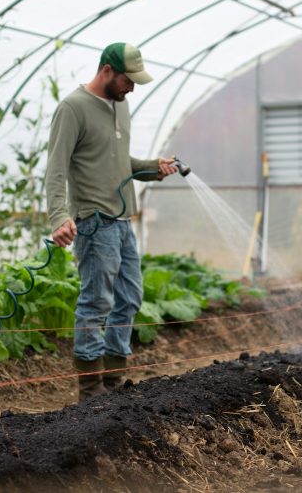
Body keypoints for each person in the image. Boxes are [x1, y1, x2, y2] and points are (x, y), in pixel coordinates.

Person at [45, 42, 178, 401]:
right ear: (107, 71)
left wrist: (154, 168)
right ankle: (90, 390)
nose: (132, 87)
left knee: (130, 296)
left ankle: (114, 383)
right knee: (96, 302)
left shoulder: (122, 106)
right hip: (94, 221)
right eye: (127, 80)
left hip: (122, 221)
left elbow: (119, 162)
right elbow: (56, 169)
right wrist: (59, 216)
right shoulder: (73, 109)